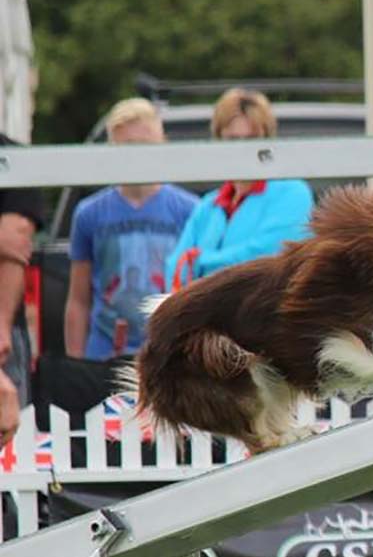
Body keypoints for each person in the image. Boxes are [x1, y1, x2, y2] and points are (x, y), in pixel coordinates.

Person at [64, 99, 198, 360]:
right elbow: (78, 299)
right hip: (104, 353)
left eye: (145, 146)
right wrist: (77, 361)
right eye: (127, 147)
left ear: (163, 145)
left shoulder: (189, 210)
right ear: (112, 150)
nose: (137, 155)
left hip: (170, 354)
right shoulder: (89, 213)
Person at [164, 89, 313, 289]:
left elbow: (265, 259)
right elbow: (173, 270)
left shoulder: (294, 194)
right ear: (218, 141)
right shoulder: (208, 206)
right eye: (232, 140)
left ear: (268, 140)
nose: (242, 148)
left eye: (252, 139)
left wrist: (200, 261)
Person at [0, 133, 44, 446]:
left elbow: (15, 238)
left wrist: (0, 325)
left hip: (5, 329)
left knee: (14, 448)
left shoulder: (14, 158)